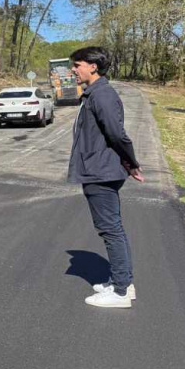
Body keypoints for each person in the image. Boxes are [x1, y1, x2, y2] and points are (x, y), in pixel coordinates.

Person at [68, 46, 143, 308]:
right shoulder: (94, 94)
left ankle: (120, 292)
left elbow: (117, 134)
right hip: (99, 168)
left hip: (100, 171)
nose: (73, 70)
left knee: (110, 230)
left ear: (93, 66)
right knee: (112, 229)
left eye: (77, 65)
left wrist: (131, 162)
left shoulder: (102, 95)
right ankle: (123, 282)